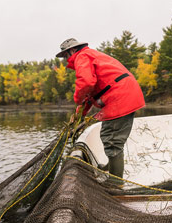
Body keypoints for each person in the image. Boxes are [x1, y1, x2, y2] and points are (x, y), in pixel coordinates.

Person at [56, 38, 145, 185]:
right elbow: (90, 93)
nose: (66, 60)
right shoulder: (91, 55)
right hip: (126, 94)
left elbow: (85, 83)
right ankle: (111, 167)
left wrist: (77, 100)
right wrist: (79, 115)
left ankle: (116, 183)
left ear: (72, 50)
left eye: (65, 56)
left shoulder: (82, 56)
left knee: (112, 140)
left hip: (120, 96)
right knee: (109, 136)